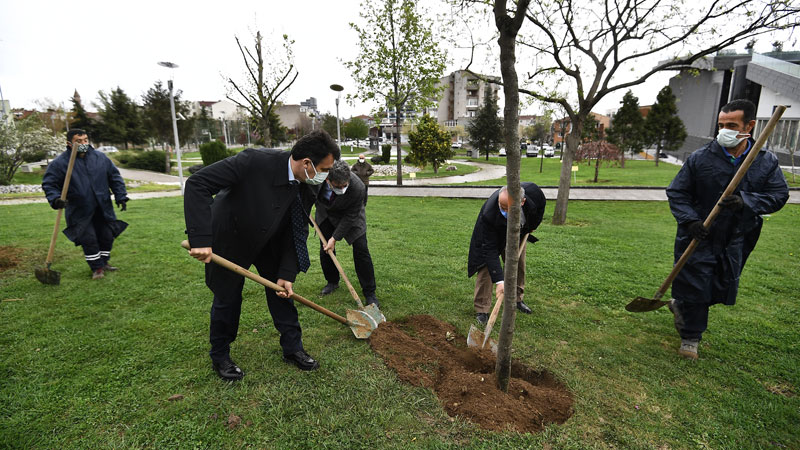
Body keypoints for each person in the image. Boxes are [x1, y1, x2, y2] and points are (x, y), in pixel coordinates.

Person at [183, 130, 340, 380]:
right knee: (227, 298)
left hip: (271, 240)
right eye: (325, 169)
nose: (326, 175)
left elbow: (296, 230)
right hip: (231, 237)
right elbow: (198, 184)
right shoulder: (253, 161)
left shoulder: (309, 185)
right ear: (307, 163)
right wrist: (201, 239)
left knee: (282, 292)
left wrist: (287, 272)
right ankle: (220, 356)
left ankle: (293, 349)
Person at [666, 99, 789, 360]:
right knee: (695, 282)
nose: (724, 130)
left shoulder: (765, 162)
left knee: (717, 284)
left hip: (735, 237)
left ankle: (681, 307)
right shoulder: (700, 158)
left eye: (731, 125)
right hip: (700, 233)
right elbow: (678, 192)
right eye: (721, 125)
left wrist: (747, 202)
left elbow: (778, 195)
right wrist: (690, 220)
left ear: (750, 126)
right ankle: (691, 337)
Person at [42, 129, 129, 280]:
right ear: (69, 144)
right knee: (88, 239)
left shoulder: (100, 158)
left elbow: (114, 177)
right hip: (79, 209)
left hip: (102, 205)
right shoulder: (61, 163)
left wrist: (121, 196)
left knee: (107, 236)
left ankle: (104, 262)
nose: (83, 144)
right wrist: (56, 199)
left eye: (85, 140)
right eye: (79, 141)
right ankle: (97, 268)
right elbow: (49, 184)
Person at [467, 183, 546, 325]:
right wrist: (499, 281)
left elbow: (540, 209)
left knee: (518, 265)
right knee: (486, 267)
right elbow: (489, 250)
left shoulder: (535, 194)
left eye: (509, 208)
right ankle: (482, 309)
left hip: (518, 233)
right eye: (502, 206)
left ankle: (516, 299)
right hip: (494, 234)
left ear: (522, 202)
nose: (504, 211)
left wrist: (532, 226)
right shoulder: (489, 214)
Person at [315, 160, 380, 307]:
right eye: (338, 186)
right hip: (325, 212)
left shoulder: (358, 187)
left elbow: (351, 216)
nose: (342, 188)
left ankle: (370, 293)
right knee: (326, 249)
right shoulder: (317, 179)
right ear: (328, 180)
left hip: (352, 215)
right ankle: (332, 282)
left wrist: (335, 237)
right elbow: (307, 195)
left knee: (361, 250)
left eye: (345, 185)